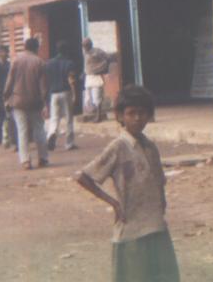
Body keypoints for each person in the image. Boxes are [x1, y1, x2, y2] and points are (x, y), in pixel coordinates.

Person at [76, 85, 180, 282]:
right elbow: (84, 177)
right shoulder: (118, 147)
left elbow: (159, 181)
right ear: (120, 116)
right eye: (131, 113)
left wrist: (162, 202)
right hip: (132, 229)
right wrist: (114, 203)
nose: (137, 118)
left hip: (156, 225)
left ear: (149, 115)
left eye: (142, 113)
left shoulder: (150, 147)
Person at [4, 37, 49, 170]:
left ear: (24, 47)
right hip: (35, 101)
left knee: (22, 131)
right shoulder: (40, 62)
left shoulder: (16, 61)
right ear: (36, 48)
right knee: (39, 130)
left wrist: (6, 97)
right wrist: (45, 102)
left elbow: (9, 82)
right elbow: (44, 86)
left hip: (18, 101)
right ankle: (43, 158)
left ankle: (25, 161)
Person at [45, 40, 77, 151]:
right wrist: (74, 94)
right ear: (66, 50)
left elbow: (46, 80)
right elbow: (71, 80)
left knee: (54, 117)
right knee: (69, 118)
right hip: (65, 92)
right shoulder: (69, 63)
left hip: (54, 93)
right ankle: (69, 143)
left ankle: (51, 134)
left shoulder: (48, 63)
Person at [82, 37, 111, 122]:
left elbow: (108, 58)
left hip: (96, 76)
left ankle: (98, 116)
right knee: (88, 98)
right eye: (83, 45)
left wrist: (102, 68)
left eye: (86, 45)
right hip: (88, 77)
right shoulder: (85, 53)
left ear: (90, 45)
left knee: (97, 97)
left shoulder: (97, 51)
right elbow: (87, 64)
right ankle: (92, 114)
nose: (85, 47)